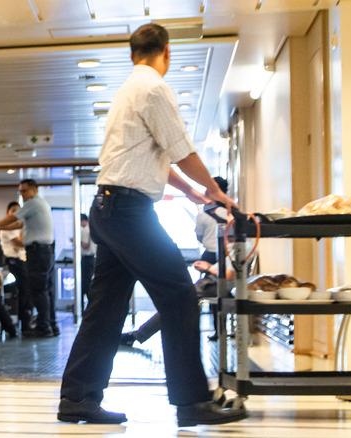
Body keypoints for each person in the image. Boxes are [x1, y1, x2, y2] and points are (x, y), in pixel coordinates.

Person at [57, 23, 247, 427]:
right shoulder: (156, 89)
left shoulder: (127, 91)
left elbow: (151, 156)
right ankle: (192, 402)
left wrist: (193, 193)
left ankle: (77, 397)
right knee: (180, 295)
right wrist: (214, 189)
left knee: (105, 310)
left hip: (108, 210)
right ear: (167, 53)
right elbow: (181, 150)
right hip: (128, 214)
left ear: (132, 54)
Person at [0, 179, 58, 338]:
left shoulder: (33, 203)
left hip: (38, 252)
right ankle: (50, 325)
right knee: (45, 290)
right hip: (44, 251)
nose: (22, 194)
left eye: (24, 191)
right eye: (20, 191)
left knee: (39, 291)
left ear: (34, 190)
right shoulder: (41, 204)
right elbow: (17, 225)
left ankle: (44, 327)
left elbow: (12, 219)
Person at [0, 201, 33, 331]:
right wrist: (23, 236)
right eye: (13, 211)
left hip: (22, 261)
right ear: (7, 213)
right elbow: (21, 243)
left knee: (27, 291)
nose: (15, 213)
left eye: (18, 211)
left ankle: (26, 322)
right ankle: (24, 325)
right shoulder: (7, 228)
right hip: (13, 261)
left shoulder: (19, 227)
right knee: (24, 291)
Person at [196, 177, 229, 264]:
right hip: (229, 255)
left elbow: (199, 236)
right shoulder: (232, 212)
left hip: (210, 255)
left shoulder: (203, 212)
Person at [79, 214, 96, 307]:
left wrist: (76, 241)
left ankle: (88, 305)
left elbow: (85, 245)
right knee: (88, 282)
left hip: (87, 259)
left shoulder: (85, 230)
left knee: (86, 283)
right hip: (92, 259)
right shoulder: (92, 228)